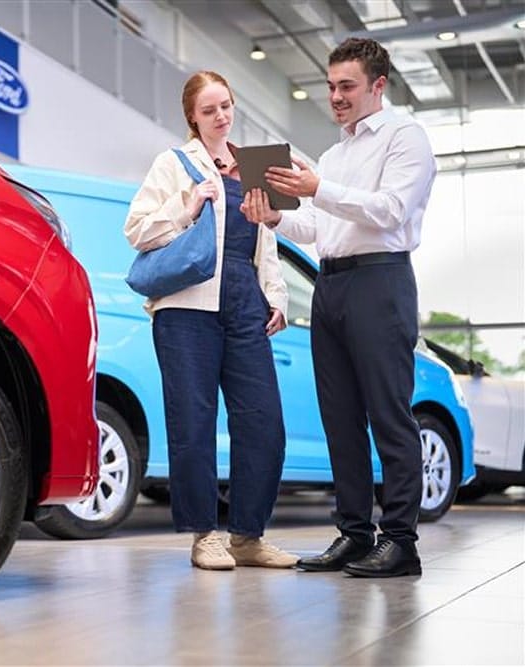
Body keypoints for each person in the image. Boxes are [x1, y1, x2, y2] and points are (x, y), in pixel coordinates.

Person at [241, 38, 436, 578]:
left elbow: (391, 212)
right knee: (340, 420)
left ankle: (401, 541)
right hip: (332, 286)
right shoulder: (333, 154)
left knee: (389, 415)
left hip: (381, 281)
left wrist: (319, 187)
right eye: (331, 86)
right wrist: (274, 217)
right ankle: (355, 534)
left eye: (347, 86)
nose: (336, 97)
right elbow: (322, 228)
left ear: (379, 86)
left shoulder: (406, 138)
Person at [124, 71, 298, 571]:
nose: (221, 116)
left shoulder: (258, 167)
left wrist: (277, 300)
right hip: (186, 309)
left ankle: (247, 536)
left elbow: (270, 243)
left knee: (264, 422)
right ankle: (205, 534)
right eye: (209, 110)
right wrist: (189, 202)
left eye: (226, 106)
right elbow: (136, 228)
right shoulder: (173, 163)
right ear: (192, 118)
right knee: (193, 423)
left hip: (245, 305)